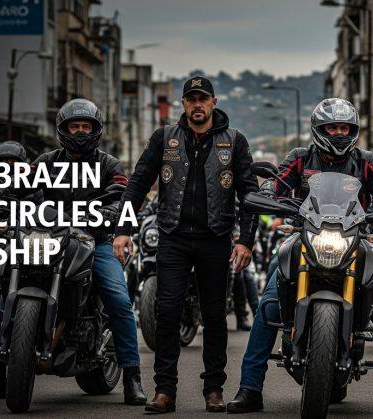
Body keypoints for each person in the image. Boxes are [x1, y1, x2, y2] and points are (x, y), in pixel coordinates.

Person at [227, 98, 373, 415]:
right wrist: (267, 193)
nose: (339, 133)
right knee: (268, 305)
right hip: (305, 236)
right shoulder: (300, 158)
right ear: (319, 129)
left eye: (344, 128)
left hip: (355, 238)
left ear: (353, 130)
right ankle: (249, 389)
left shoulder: (365, 161)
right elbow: (278, 182)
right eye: (332, 127)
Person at [0, 99, 147, 406]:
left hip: (95, 240)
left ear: (95, 130)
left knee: (117, 297)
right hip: (49, 236)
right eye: (74, 126)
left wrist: (109, 212)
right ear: (63, 130)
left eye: (85, 126)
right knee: (5, 294)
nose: (80, 132)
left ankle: (132, 375)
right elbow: (17, 185)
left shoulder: (109, 165)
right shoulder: (46, 162)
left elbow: (122, 196)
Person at [113, 76, 259, 413]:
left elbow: (249, 194)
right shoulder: (164, 138)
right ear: (183, 104)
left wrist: (245, 241)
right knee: (166, 313)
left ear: (213, 103)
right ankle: (164, 390)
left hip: (215, 238)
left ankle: (214, 389)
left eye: (203, 99)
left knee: (215, 317)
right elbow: (137, 184)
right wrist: (123, 229)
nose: (197, 105)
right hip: (173, 236)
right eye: (191, 99)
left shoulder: (234, 141)